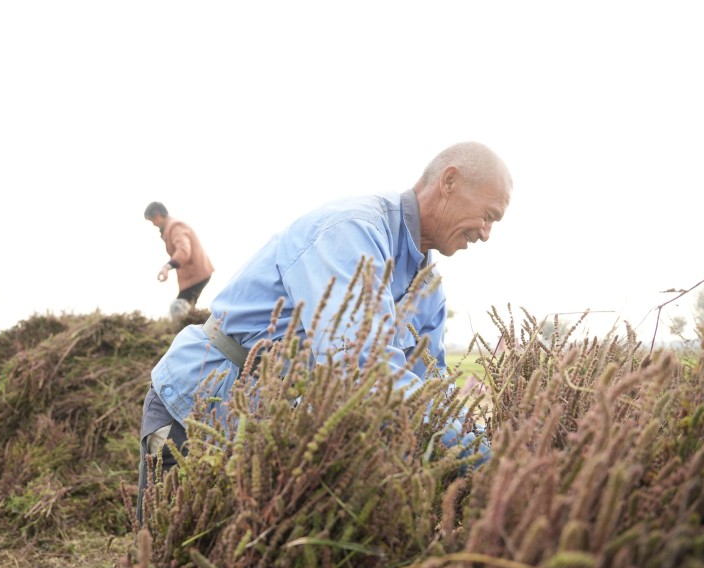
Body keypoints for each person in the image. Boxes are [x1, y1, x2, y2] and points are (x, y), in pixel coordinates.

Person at [136, 142, 513, 518]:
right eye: (488, 215)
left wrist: (483, 442)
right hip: (200, 408)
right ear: (449, 181)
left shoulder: (427, 290)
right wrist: (492, 462)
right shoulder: (351, 232)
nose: (486, 233)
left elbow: (428, 391)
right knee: (170, 551)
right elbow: (364, 375)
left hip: (271, 430)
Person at [144, 202, 215, 317]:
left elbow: (183, 250)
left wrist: (167, 267)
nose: (153, 224)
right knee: (188, 310)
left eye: (152, 220)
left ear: (158, 215)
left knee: (179, 310)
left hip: (196, 275)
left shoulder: (175, 227)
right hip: (193, 276)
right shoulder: (169, 228)